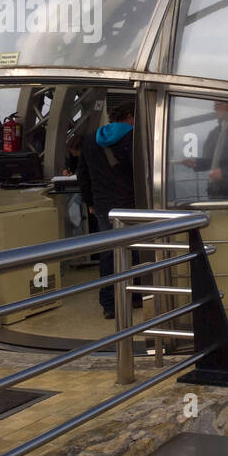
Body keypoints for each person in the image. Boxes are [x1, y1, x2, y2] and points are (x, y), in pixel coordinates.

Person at [76, 101, 138, 319]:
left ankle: (110, 303)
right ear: (130, 116)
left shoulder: (91, 139)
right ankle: (136, 295)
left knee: (108, 253)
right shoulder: (133, 137)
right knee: (135, 249)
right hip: (130, 203)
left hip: (103, 204)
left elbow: (82, 174)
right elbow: (138, 170)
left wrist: (89, 201)